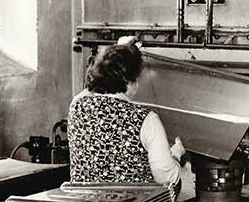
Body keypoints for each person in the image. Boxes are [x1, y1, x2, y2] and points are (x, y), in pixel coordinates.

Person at [67, 37, 185, 192]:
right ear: (129, 82)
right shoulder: (146, 119)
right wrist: (176, 154)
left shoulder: (77, 106)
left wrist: (117, 52)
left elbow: (89, 89)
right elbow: (167, 180)